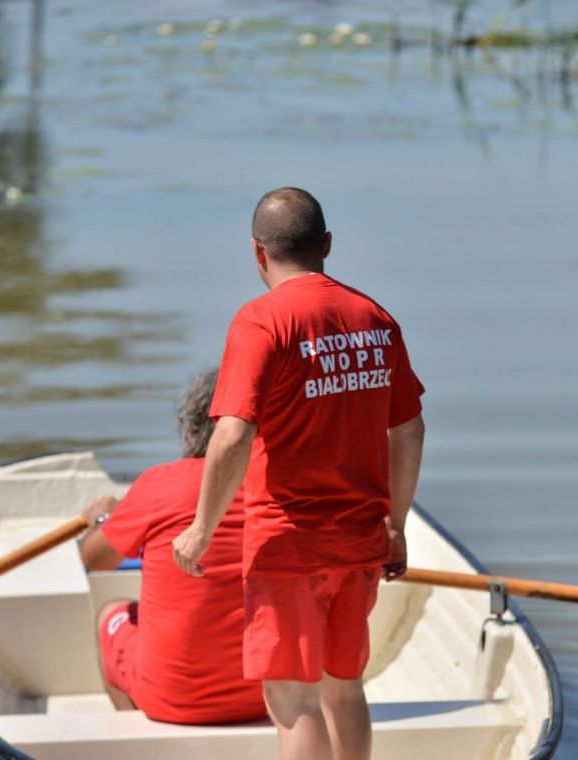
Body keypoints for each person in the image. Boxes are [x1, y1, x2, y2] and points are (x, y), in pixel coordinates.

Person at [172, 187, 426, 760]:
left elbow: (233, 435)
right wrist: (396, 525)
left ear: (258, 254)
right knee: (343, 689)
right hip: (361, 540)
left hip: (288, 545)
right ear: (327, 246)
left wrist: (202, 530)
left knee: (293, 702)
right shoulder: (374, 317)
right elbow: (409, 430)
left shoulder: (261, 322)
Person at [77, 368, 267, 725]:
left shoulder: (161, 484)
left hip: (173, 702)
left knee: (112, 612)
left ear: (192, 426)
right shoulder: (283, 489)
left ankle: (139, 737)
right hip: (275, 696)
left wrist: (105, 521)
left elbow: (94, 559)